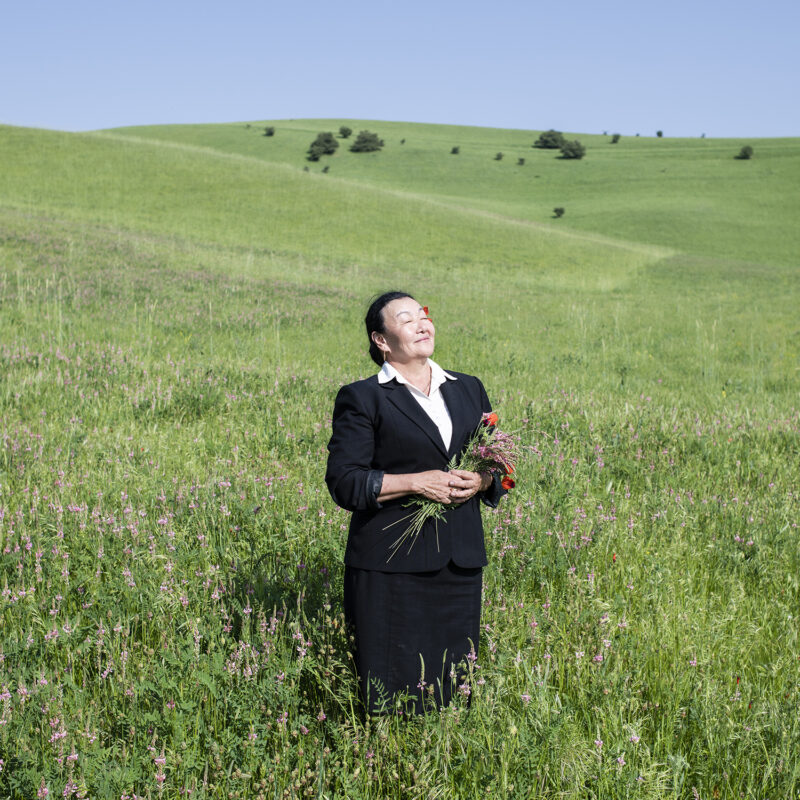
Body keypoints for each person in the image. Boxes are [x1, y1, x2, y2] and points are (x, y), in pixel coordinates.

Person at [325, 291, 506, 713]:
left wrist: (481, 481)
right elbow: (344, 483)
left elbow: (501, 468)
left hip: (459, 566)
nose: (422, 324)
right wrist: (415, 483)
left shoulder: (469, 389)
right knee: (390, 697)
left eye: (423, 315)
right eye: (406, 320)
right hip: (390, 568)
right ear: (381, 340)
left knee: (452, 693)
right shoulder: (362, 397)